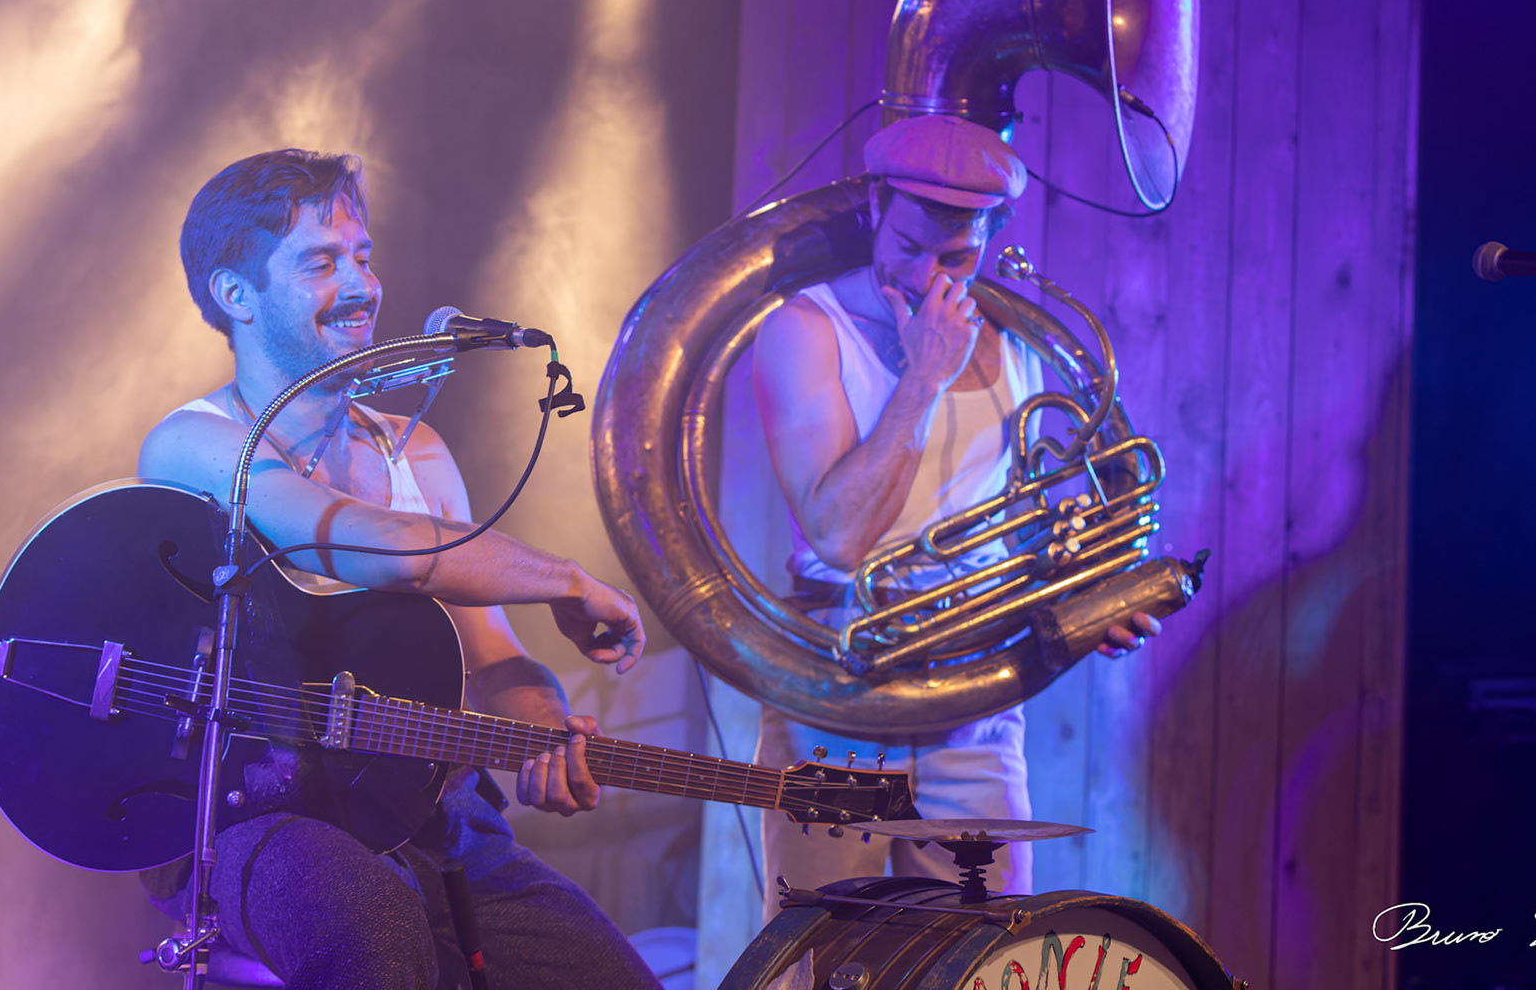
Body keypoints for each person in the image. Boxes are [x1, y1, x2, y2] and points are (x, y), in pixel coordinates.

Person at [136, 148, 661, 989]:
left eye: (364, 256)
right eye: (321, 262)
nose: (363, 284)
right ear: (236, 295)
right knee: (370, 935)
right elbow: (364, 544)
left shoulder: (414, 447)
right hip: (254, 815)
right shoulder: (194, 443)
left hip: (430, 807)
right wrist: (565, 577)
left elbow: (489, 657)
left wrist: (542, 727)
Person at [749, 113, 1160, 910]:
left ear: (995, 232)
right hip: (838, 687)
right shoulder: (804, 330)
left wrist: (1088, 596)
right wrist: (923, 379)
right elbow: (838, 535)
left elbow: (1030, 525)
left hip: (973, 694)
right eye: (907, 245)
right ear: (875, 206)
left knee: (985, 953)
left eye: (957, 256)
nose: (927, 276)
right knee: (824, 961)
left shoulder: (1022, 344)